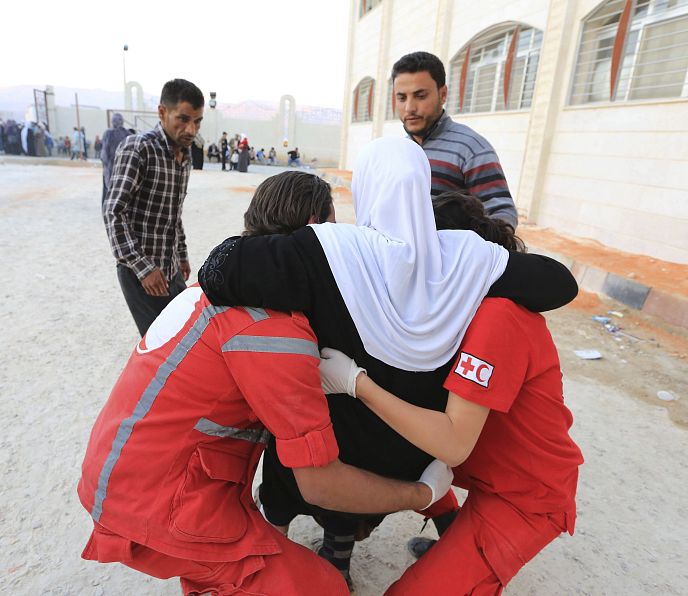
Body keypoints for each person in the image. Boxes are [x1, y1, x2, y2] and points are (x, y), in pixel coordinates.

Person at [198, 138, 578, 587]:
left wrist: (307, 244)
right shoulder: (466, 264)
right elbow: (561, 284)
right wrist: (458, 257)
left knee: (300, 455)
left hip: (377, 451)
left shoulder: (333, 253)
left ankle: (280, 557)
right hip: (410, 452)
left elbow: (218, 269)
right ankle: (342, 553)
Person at [79, 174, 455, 594]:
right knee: (322, 587)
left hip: (123, 476)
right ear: (315, 230)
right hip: (158, 503)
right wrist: (421, 494)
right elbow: (321, 484)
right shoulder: (273, 328)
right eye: (335, 229)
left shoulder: (220, 284)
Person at [318, 190, 583, 595]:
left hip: (523, 498)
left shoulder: (497, 318)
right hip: (479, 469)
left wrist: (357, 383)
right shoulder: (458, 313)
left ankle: (464, 553)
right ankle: (453, 531)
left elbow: (454, 443)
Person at [104, 78, 202, 336]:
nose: (191, 129)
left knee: (186, 336)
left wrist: (181, 254)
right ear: (162, 112)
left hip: (171, 268)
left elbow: (173, 213)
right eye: (183, 119)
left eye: (197, 121)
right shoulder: (139, 149)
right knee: (161, 345)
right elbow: (114, 211)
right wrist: (143, 268)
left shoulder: (185, 157)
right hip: (141, 274)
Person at [392, 51, 518, 228]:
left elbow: (503, 216)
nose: (409, 108)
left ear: (443, 94)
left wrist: (459, 243)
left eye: (420, 96)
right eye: (402, 98)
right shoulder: (398, 151)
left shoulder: (471, 149)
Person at [100, 113, 132, 203]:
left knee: (108, 194)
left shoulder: (108, 133)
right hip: (124, 170)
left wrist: (105, 166)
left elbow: (104, 154)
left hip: (110, 169)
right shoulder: (128, 134)